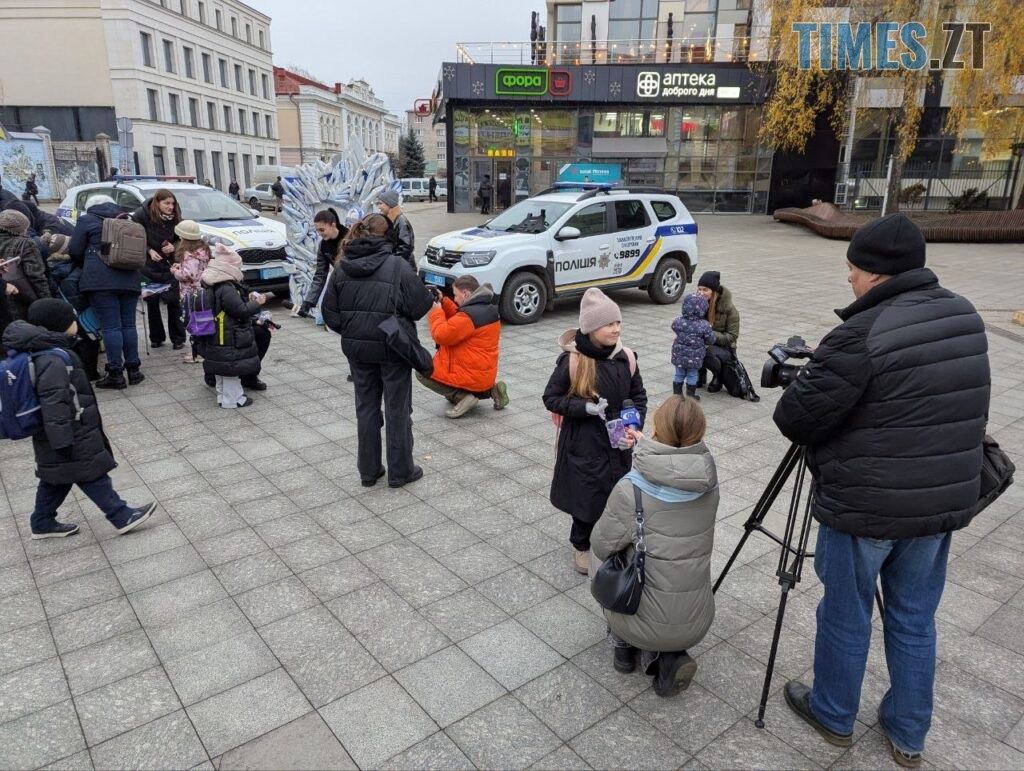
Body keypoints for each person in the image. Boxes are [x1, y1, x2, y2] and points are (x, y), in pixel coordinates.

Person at [772, 213, 990, 767]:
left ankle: (833, 714)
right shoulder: (964, 316)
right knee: (915, 618)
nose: (848, 279)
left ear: (875, 274)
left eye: (851, 269)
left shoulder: (860, 333)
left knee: (846, 614)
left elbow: (797, 418)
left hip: (866, 508)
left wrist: (809, 378)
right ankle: (908, 733)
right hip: (938, 507)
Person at [591, 395, 717, 697]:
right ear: (699, 433)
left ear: (657, 430)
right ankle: (668, 655)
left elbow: (600, 543)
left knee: (602, 555)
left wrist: (646, 449)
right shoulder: (708, 482)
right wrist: (650, 446)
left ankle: (624, 646)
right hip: (696, 617)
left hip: (640, 611)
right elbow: (675, 473)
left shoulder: (631, 487)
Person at [4, 299, 155, 538]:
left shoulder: (47, 351)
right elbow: (54, 401)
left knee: (56, 477)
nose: (76, 323)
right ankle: (120, 514)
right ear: (60, 325)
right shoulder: (52, 358)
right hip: (68, 430)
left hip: (60, 431)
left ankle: (42, 522)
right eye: (72, 319)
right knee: (90, 472)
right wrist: (62, 438)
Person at [321, 213, 434, 488]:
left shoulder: (342, 266)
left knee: (366, 408)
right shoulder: (397, 265)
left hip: (358, 351)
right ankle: (401, 471)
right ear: (389, 236)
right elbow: (420, 306)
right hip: (393, 346)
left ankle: (369, 471)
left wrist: (355, 328)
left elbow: (330, 314)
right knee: (397, 409)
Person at [543, 288, 647, 574]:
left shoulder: (626, 358)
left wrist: (634, 427)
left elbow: (639, 397)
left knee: (617, 495)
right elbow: (551, 398)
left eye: (618, 323)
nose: (616, 329)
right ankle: (581, 546)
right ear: (591, 329)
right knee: (586, 499)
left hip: (618, 443)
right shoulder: (573, 361)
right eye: (609, 324)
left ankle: (612, 542)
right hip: (583, 445)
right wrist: (584, 409)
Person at [70, 193, 143, 389]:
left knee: (111, 327)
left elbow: (74, 250)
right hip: (130, 278)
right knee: (128, 326)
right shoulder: (128, 219)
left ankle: (116, 374)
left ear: (91, 206)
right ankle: (134, 371)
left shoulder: (86, 220)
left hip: (100, 281)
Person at [418, 275, 509, 419]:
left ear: (466, 294)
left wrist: (435, 311)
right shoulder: (488, 308)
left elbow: (441, 335)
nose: (455, 299)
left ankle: (463, 397)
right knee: (472, 380)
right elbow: (459, 319)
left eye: (455, 295)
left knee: (422, 370)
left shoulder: (468, 317)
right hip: (484, 375)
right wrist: (444, 301)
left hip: (471, 376)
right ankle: (493, 391)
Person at [196, 244, 264, 408]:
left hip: (216, 334)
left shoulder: (211, 282)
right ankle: (234, 399)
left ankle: (223, 396)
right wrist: (257, 303)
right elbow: (240, 310)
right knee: (230, 369)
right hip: (228, 335)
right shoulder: (226, 287)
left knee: (222, 369)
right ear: (231, 267)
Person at [132, 190, 185, 350]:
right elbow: (134, 238)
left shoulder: (175, 217)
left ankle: (178, 338)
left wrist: (173, 247)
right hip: (147, 265)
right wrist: (148, 250)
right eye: (167, 203)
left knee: (174, 301)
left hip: (169, 264)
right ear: (157, 203)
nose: (171, 207)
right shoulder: (141, 215)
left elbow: (180, 240)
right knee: (152, 302)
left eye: (173, 203)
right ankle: (156, 338)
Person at [169, 219, 210, 363]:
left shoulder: (190, 254)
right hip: (202, 292)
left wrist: (175, 272)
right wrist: (181, 266)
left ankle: (198, 353)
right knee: (201, 321)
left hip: (190, 293)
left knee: (192, 322)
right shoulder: (202, 250)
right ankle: (200, 351)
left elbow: (189, 275)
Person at [0, 209, 51, 319]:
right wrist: (47, 301)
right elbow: (36, 276)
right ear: (21, 229)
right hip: (22, 299)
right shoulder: (25, 243)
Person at [694, 271, 739, 393]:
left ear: (714, 291)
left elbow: (732, 336)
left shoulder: (729, 309)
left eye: (705, 290)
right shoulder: (695, 304)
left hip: (724, 347)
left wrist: (710, 333)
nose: (701, 293)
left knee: (707, 351)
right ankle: (699, 373)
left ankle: (718, 375)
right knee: (689, 344)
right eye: (699, 289)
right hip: (704, 342)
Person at [298, 208, 348, 318]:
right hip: (341, 287)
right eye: (318, 231)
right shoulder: (323, 246)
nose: (320, 234)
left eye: (322, 230)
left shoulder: (350, 239)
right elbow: (320, 274)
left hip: (357, 286)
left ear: (333, 225)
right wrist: (309, 302)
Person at [671, 293, 716, 400]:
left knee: (679, 374)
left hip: (679, 355)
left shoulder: (678, 321)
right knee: (692, 375)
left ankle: (677, 396)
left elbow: (673, 327)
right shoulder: (704, 325)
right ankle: (690, 396)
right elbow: (711, 339)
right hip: (695, 357)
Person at [376, 190, 415, 270]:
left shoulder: (401, 222)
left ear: (389, 205)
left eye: (381, 203)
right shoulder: (391, 220)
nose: (379, 207)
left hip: (402, 267)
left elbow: (406, 247)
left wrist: (391, 261)